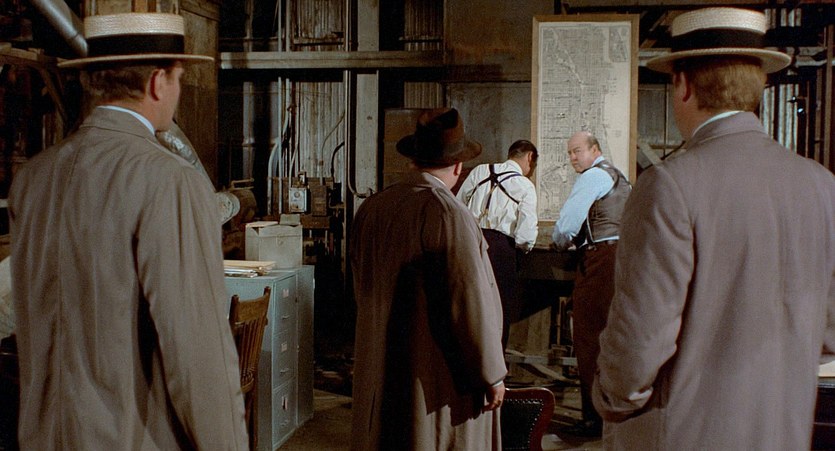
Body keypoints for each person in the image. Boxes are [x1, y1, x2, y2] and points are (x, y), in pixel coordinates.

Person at [592, 7, 835, 450]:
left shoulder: (670, 185)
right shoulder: (822, 185)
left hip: (683, 435)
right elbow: (829, 332)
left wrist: (610, 399)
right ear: (757, 84)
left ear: (683, 85)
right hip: (783, 433)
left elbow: (640, 343)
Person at [8, 13, 248, 450]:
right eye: (179, 78)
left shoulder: (33, 178)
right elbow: (198, 355)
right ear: (158, 82)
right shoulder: (170, 180)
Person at [350, 108, 507, 450]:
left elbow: (360, 287)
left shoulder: (372, 208)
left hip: (381, 370)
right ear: (458, 166)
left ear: (414, 159)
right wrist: (492, 373)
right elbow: (468, 301)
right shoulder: (447, 212)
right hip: (436, 382)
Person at [550, 130, 630, 437]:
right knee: (613, 338)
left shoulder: (592, 177)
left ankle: (593, 419)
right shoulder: (619, 177)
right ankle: (612, 414)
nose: (572, 158)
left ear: (594, 150)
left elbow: (567, 224)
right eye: (569, 153)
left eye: (577, 151)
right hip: (622, 258)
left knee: (588, 338)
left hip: (599, 260)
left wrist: (559, 243)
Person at [457, 139, 539, 349]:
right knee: (498, 309)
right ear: (530, 157)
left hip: (471, 244)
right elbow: (526, 235)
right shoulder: (525, 186)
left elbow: (458, 206)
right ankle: (494, 362)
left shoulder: (480, 171)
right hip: (501, 250)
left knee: (470, 305)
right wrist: (523, 250)